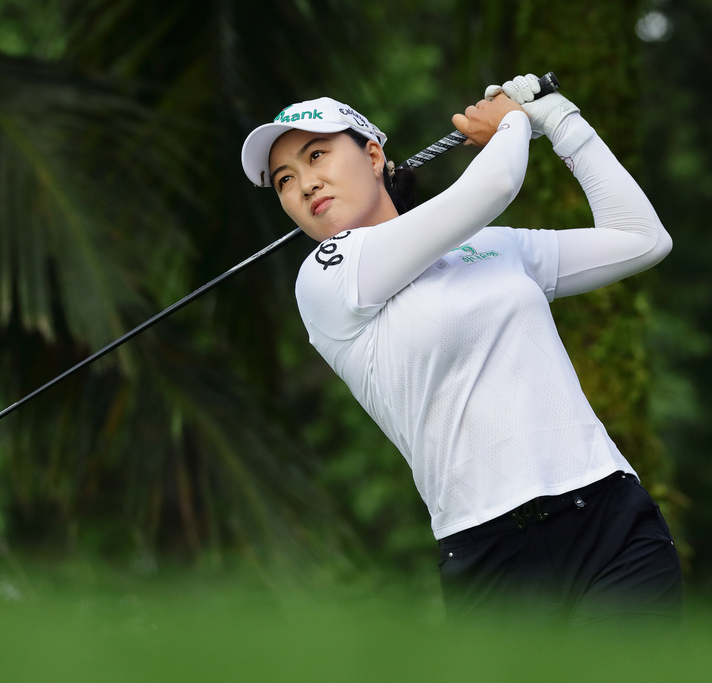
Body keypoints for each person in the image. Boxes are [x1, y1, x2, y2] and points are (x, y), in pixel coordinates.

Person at [240, 73, 682, 626]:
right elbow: (493, 186)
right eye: (285, 179)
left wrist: (560, 119)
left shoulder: (491, 247)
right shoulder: (325, 279)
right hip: (491, 556)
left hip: (608, 515)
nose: (305, 184)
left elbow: (642, 239)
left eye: (316, 155)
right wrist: (513, 122)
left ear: (373, 156)